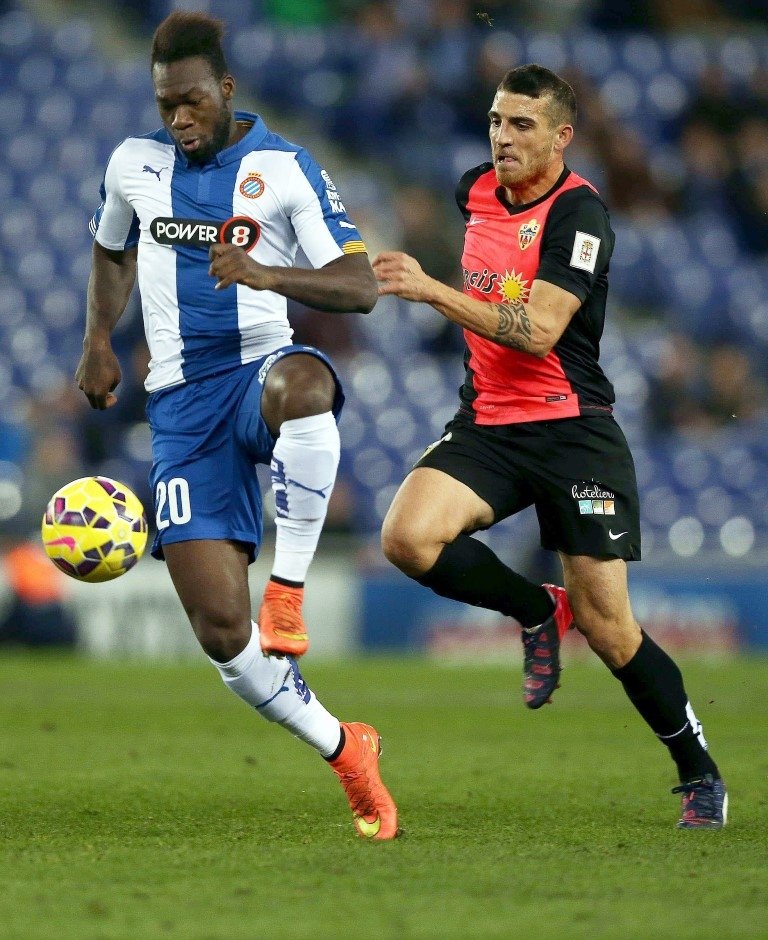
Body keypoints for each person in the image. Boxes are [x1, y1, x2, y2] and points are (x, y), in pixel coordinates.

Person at [373, 64, 726, 829]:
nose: (502, 136)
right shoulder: (472, 190)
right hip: (490, 423)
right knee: (405, 536)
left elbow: (537, 332)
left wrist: (433, 290)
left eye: (521, 124)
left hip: (572, 430)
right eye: (497, 121)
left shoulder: (582, 215)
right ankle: (536, 609)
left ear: (561, 136)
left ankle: (698, 771)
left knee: (609, 628)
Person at [76, 11, 398, 840]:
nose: (178, 121)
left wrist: (262, 270)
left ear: (225, 90)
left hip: (258, 370)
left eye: (191, 102)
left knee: (306, 387)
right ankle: (343, 748)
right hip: (180, 407)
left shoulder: (282, 169)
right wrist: (98, 345)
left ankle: (287, 590)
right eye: (164, 106)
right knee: (223, 634)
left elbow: (359, 286)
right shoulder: (132, 165)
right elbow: (113, 251)